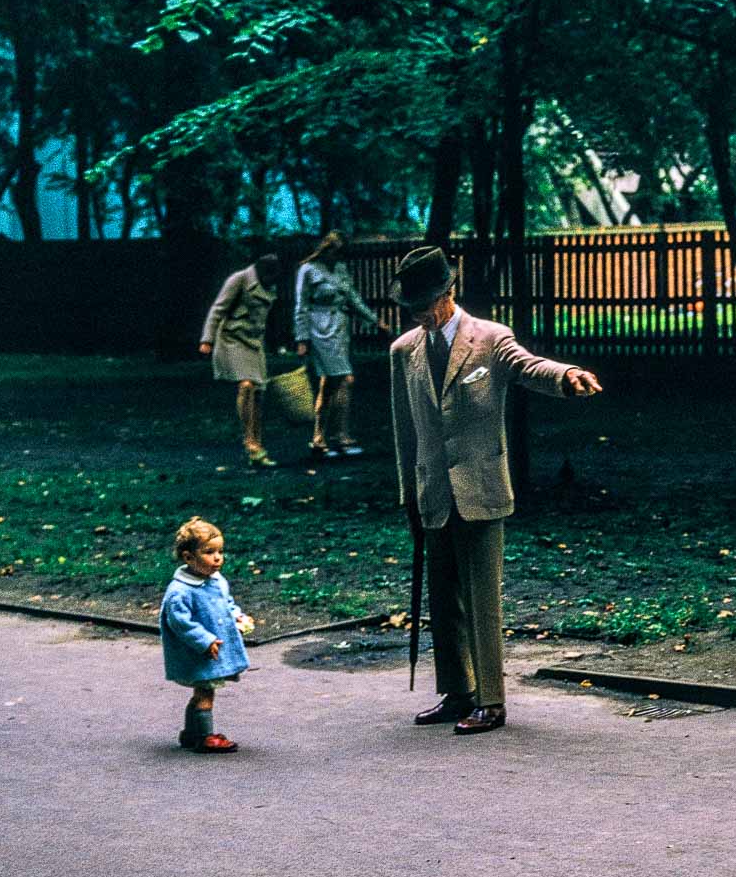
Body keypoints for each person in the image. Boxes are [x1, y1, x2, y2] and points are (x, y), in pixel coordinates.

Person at [388, 246, 603, 735]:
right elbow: (405, 431)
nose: (421, 314)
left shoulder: (490, 338)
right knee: (443, 598)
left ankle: (491, 700)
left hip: (481, 488)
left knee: (482, 599)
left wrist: (566, 376)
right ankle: (456, 692)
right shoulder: (404, 351)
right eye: (413, 307)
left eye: (427, 303)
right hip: (433, 491)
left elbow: (528, 366)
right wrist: (409, 495)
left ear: (449, 292)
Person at [159, 518, 254, 754]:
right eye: (209, 552)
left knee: (202, 690)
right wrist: (204, 640)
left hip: (212, 650)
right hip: (198, 652)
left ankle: (191, 733)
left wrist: (237, 616)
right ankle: (204, 736)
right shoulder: (180, 591)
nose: (218, 558)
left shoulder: (217, 580)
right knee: (205, 691)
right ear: (188, 557)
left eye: (220, 551)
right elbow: (180, 622)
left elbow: (226, 603)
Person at [294, 231, 390, 459]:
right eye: (335, 252)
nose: (337, 257)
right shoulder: (308, 270)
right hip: (319, 329)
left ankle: (320, 438)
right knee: (344, 379)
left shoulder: (340, 269)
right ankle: (340, 436)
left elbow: (353, 299)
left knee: (330, 383)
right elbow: (301, 305)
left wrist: (375, 321)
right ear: (326, 249)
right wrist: (302, 338)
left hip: (339, 329)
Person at [200, 253, 281, 468]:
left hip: (254, 342)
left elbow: (269, 317)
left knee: (259, 393)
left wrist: (276, 342)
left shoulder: (270, 286)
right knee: (246, 386)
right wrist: (207, 339)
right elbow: (218, 309)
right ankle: (249, 441)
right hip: (233, 339)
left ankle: (257, 445)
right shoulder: (239, 279)